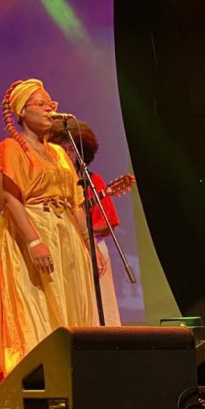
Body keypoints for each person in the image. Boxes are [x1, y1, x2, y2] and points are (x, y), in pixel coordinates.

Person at [0, 79, 97, 390]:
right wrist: (35, 241)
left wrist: (87, 244)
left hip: (65, 236)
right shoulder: (11, 147)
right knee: (34, 304)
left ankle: (72, 377)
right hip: (31, 233)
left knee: (71, 305)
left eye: (51, 102)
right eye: (42, 103)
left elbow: (75, 201)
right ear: (22, 111)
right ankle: (38, 380)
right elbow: (10, 198)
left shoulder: (59, 153)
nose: (51, 108)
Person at [53, 118, 132, 327]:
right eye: (62, 150)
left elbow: (108, 223)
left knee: (103, 309)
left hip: (92, 250)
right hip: (61, 250)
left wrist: (82, 230)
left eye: (72, 150)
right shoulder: (49, 184)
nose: (67, 155)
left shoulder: (93, 181)